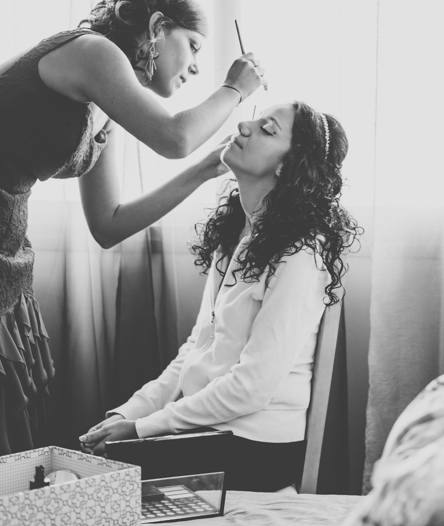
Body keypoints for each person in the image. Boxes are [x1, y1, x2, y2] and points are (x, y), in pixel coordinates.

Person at [0, 0, 265, 474]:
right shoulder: (92, 51)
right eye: (194, 47)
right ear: (158, 28)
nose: (195, 69)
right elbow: (174, 138)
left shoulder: (104, 100)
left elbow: (109, 223)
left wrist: (207, 170)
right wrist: (236, 88)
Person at [78, 102, 362, 492]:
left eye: (267, 129)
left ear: (288, 165)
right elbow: (194, 352)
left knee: (103, 479)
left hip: (256, 446)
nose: (243, 125)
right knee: (90, 457)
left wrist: (143, 429)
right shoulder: (236, 240)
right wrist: (128, 413)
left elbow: (253, 387)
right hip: (206, 429)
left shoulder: (302, 253)